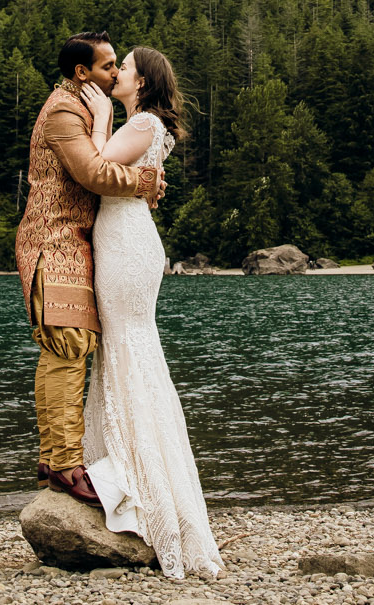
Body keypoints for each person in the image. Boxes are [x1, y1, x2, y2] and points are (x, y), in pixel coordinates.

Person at [75, 45, 222, 579]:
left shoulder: (141, 122)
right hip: (124, 239)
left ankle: (142, 486)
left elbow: (96, 167)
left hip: (126, 244)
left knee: (127, 349)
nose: (117, 73)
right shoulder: (147, 123)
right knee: (124, 352)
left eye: (125, 68)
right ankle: (124, 470)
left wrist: (99, 117)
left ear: (143, 81)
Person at [14, 33, 163, 509]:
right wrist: (144, 180)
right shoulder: (62, 111)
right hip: (52, 241)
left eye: (119, 66)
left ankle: (54, 459)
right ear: (83, 73)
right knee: (66, 344)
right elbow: (92, 173)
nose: (116, 73)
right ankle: (64, 466)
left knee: (67, 346)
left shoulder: (85, 108)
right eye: (107, 67)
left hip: (74, 242)